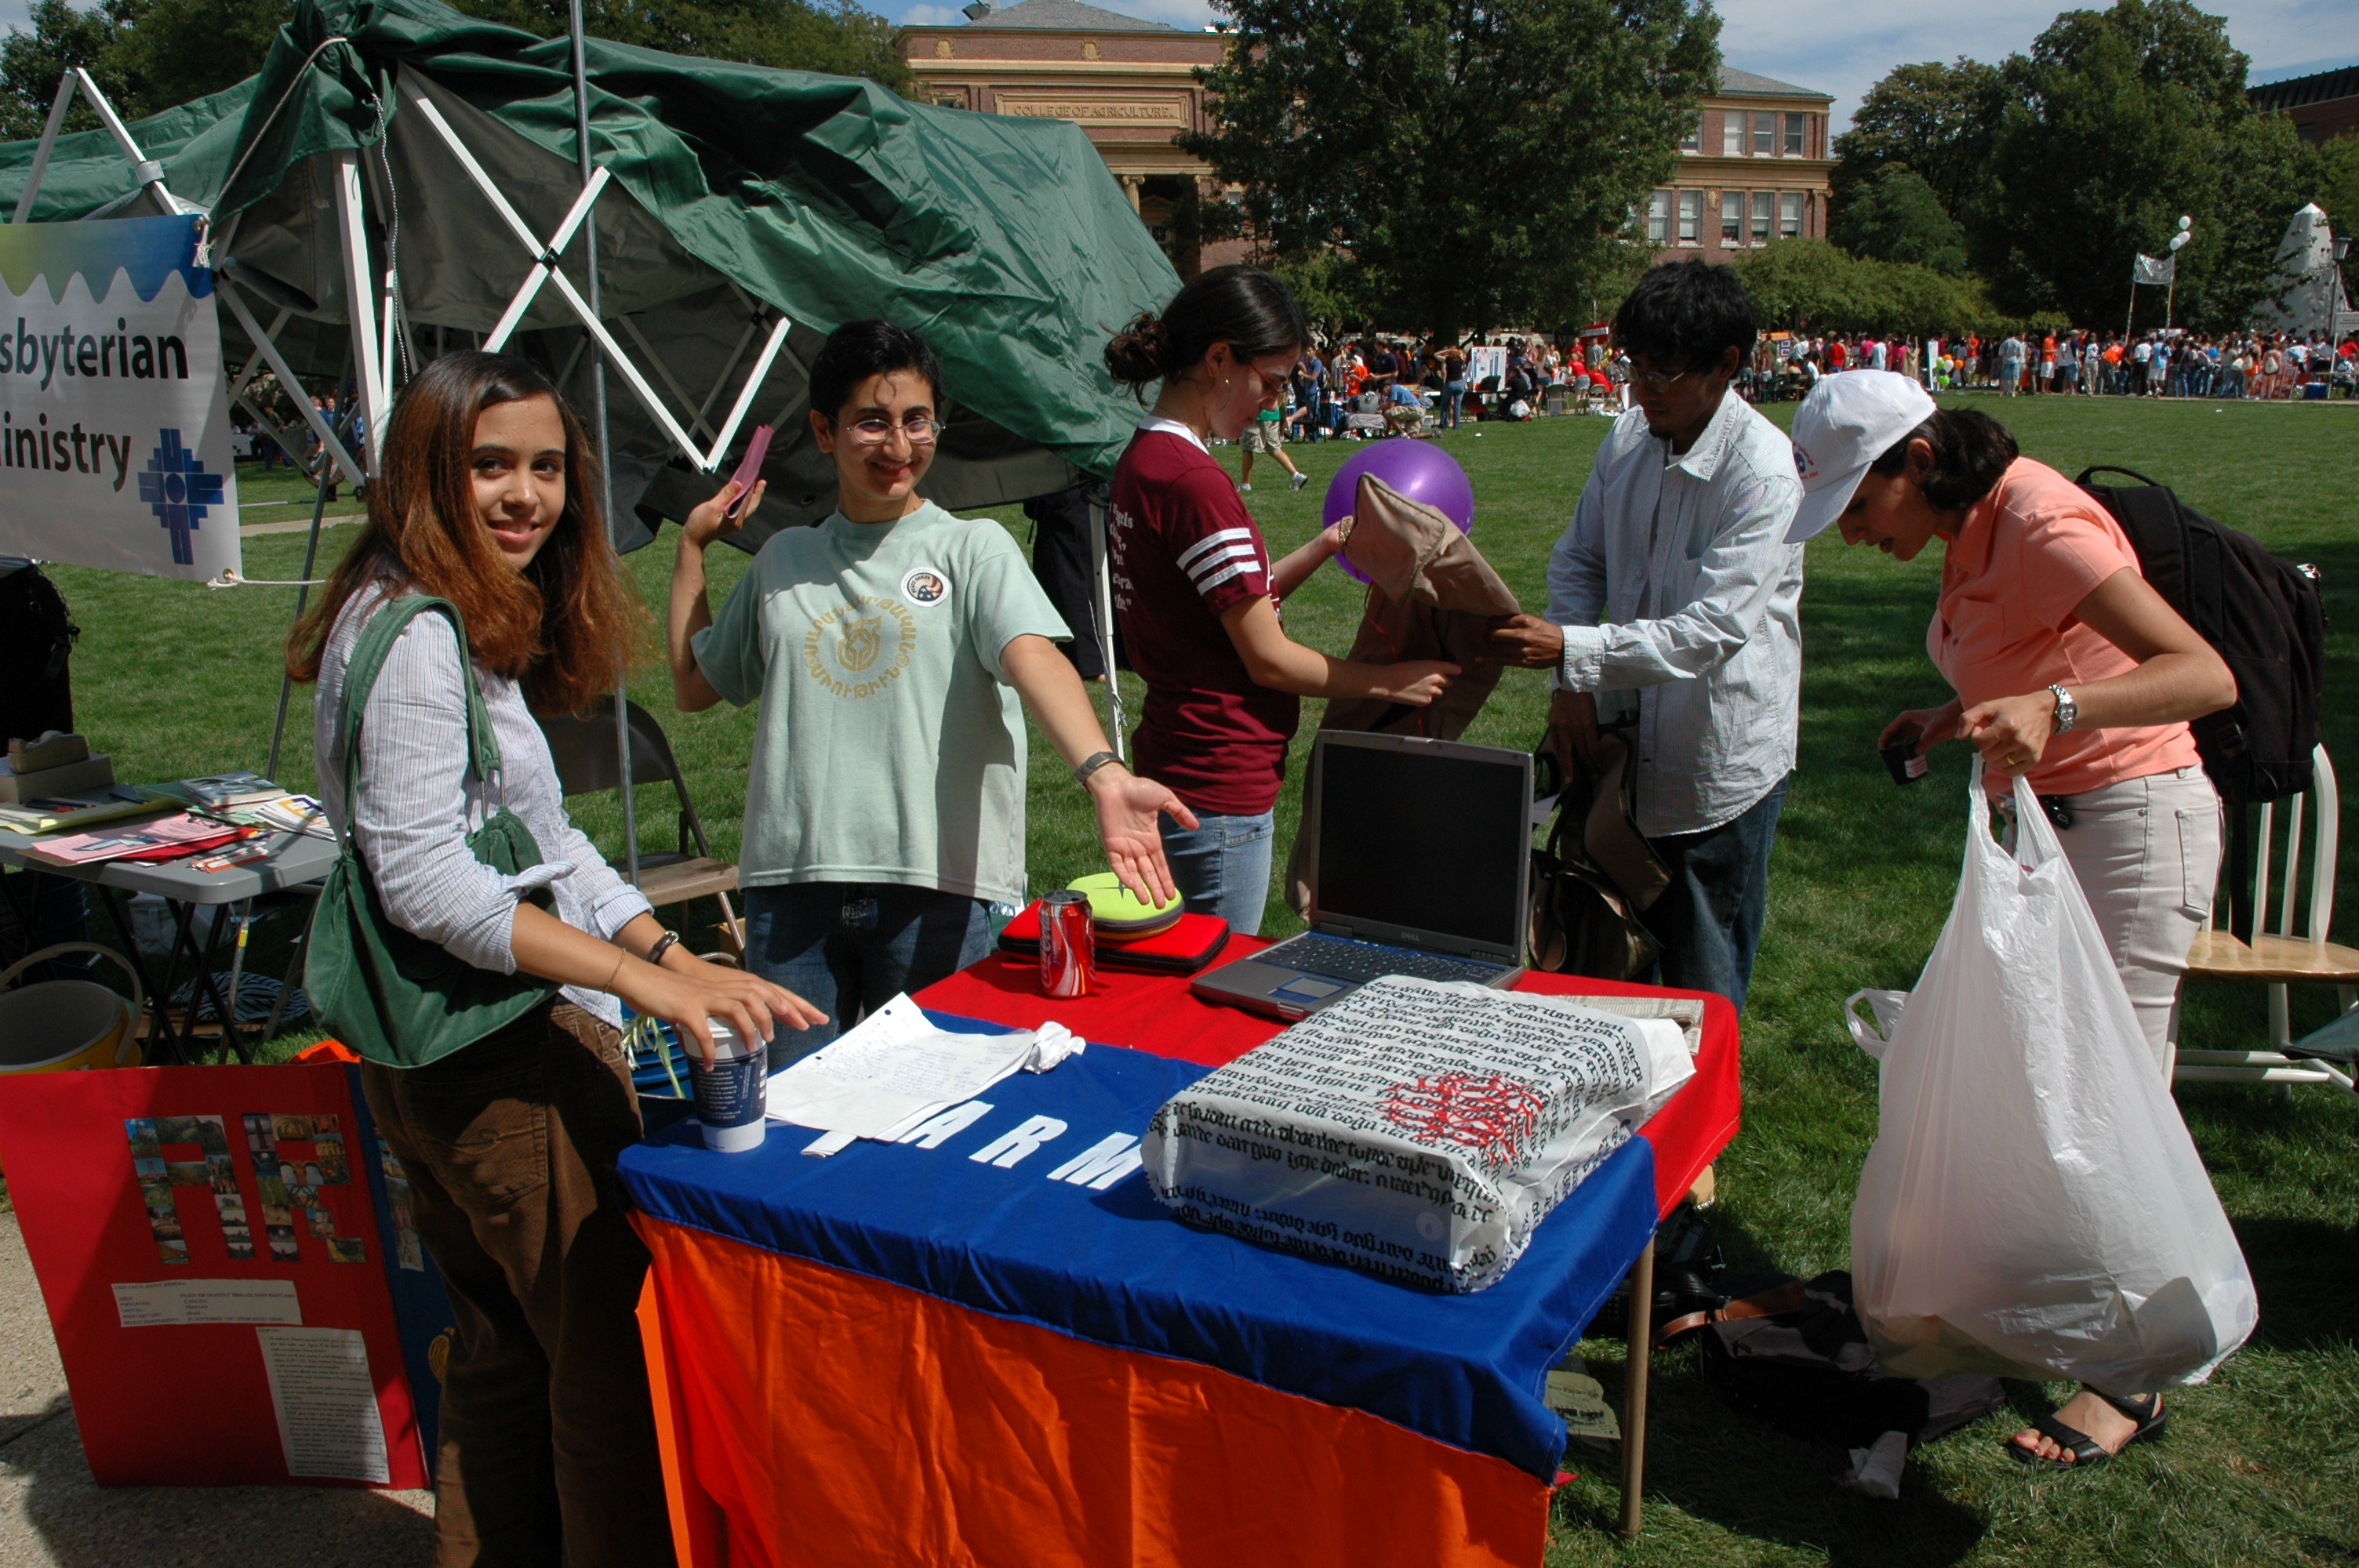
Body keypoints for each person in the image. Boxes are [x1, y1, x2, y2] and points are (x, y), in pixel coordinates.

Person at [286, 351, 821, 1566]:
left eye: (546, 467)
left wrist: (669, 949)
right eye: (491, 466)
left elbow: (541, 838)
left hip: (438, 1062)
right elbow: (430, 881)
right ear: (427, 470)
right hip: (495, 1062)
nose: (526, 495)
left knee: (501, 1352)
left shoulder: (421, 603)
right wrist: (638, 980)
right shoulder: (420, 635)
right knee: (603, 1368)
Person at [1787, 369, 2235, 1472]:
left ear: (1919, 461)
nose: (1852, 533)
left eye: (1858, 504)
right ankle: (2056, 1311)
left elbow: (2201, 675)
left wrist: (2055, 709)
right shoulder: (1966, 529)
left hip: (2132, 828)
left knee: (2113, 1096)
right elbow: (2036, 651)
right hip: (2054, 829)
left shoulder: (2037, 521)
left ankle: (2133, 1379)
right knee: (2041, 1080)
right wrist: (1951, 716)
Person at [670, 321, 1194, 1053]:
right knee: (793, 1103)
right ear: (823, 430)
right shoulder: (783, 560)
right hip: (792, 891)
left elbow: (1032, 654)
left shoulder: (973, 548)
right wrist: (692, 547)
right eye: (871, 422)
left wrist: (1103, 772)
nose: (898, 445)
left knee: (934, 1098)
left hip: (933, 889)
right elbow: (695, 685)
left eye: (917, 421)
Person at [1482, 260, 1803, 1009]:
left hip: (1712, 770)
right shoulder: (1628, 438)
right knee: (1608, 962)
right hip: (1617, 752)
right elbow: (1579, 559)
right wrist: (1572, 687)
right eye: (1634, 367)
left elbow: (1712, 630)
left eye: (1664, 372)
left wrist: (1573, 652)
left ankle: (1699, 1084)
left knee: (1701, 983)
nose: (1642, 389)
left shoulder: (1763, 475)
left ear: (1725, 365)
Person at [1102, 267, 1457, 934]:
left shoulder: (1145, 459)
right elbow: (1266, 657)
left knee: (1185, 964)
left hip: (1181, 756)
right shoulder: (1194, 483)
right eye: (1269, 382)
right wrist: (1391, 682)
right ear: (1218, 360)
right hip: (1220, 779)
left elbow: (1226, 607)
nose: (1272, 403)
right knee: (1213, 975)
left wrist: (1323, 546)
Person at [1238, 390, 1309, 492]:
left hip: (1258, 415)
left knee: (1247, 449)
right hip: (1273, 413)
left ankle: (1245, 484)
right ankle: (1296, 476)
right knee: (1275, 449)